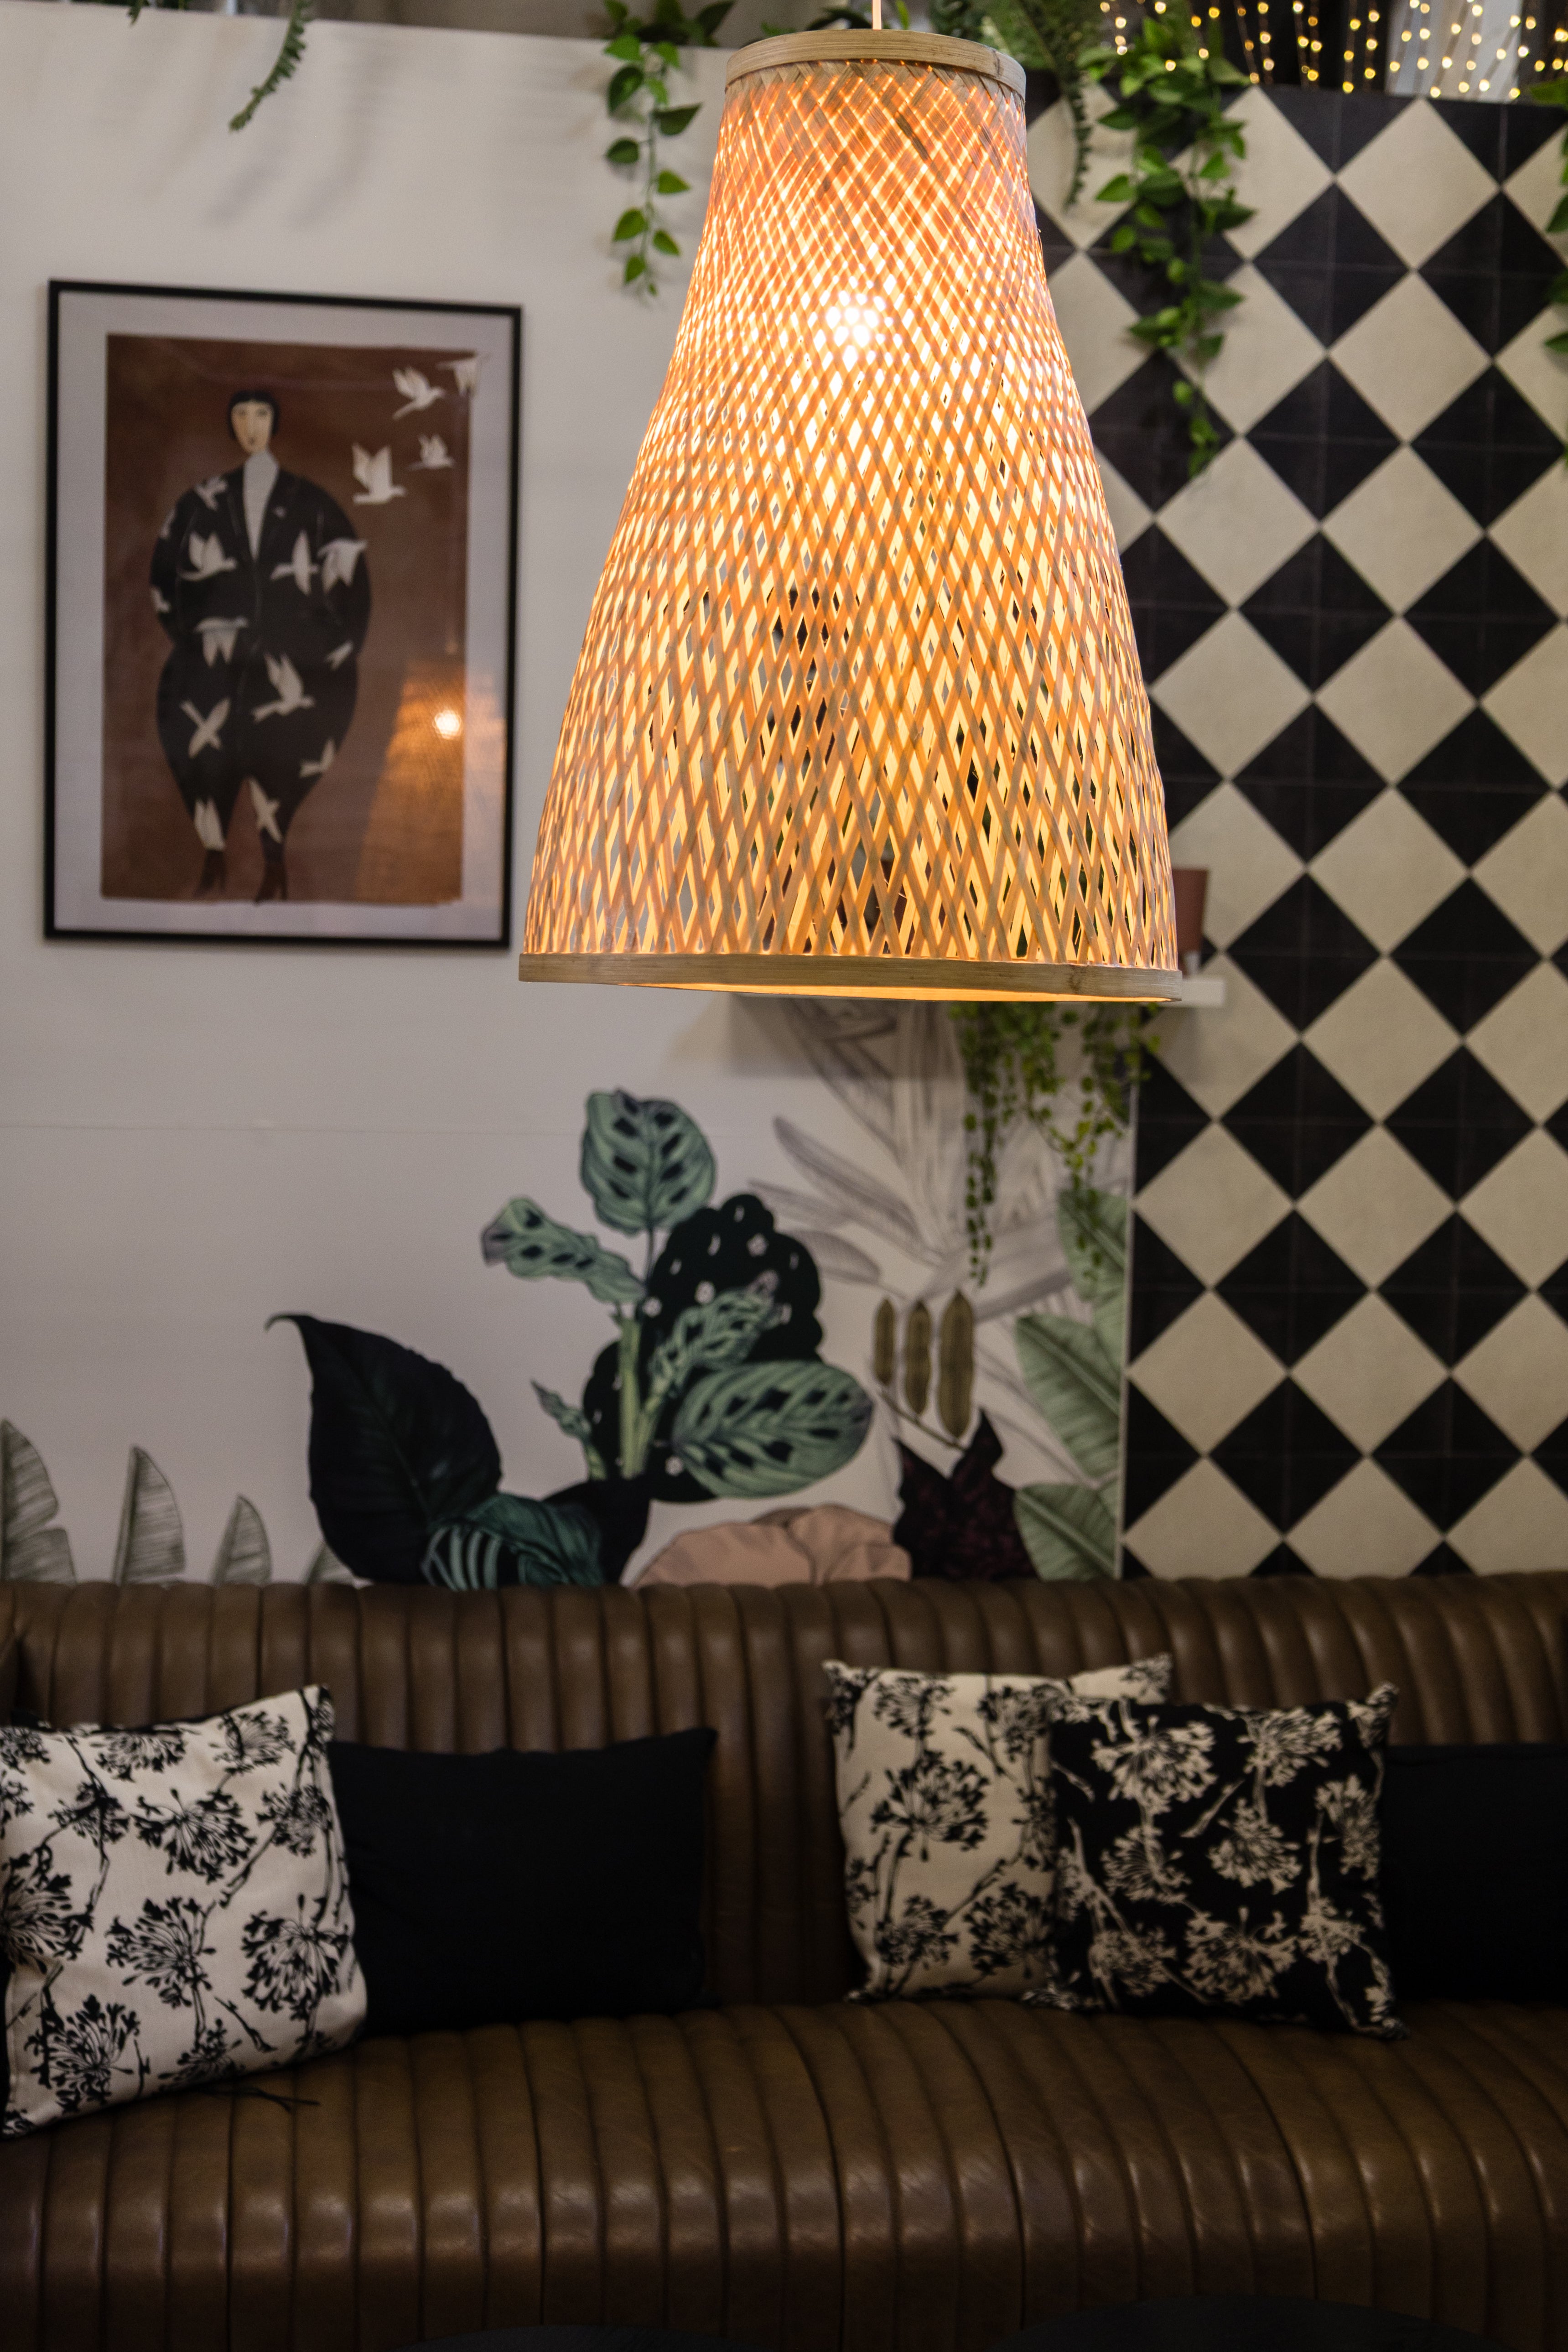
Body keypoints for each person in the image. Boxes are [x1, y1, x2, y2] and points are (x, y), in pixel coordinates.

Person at [150, 391, 371, 903]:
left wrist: (326, 651)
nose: (252, 425)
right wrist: (198, 643)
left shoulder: (312, 504)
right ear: (232, 425)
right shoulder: (202, 502)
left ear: (276, 422)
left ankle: (274, 859)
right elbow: (167, 578)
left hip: (294, 660)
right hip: (215, 665)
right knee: (206, 753)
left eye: (263, 415)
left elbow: (350, 586)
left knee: (285, 753)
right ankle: (214, 854)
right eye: (242, 416)